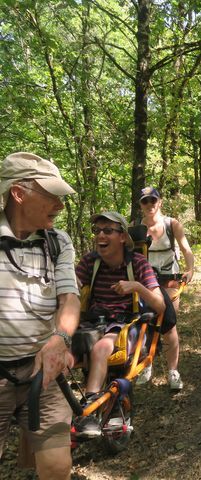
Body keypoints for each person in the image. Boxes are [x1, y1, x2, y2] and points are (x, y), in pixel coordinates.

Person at [0, 152, 80, 480]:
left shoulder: (57, 242)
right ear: (18, 193)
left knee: (58, 467)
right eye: (51, 196)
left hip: (43, 374)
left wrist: (61, 339)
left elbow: (70, 300)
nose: (60, 206)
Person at [74, 211, 165, 436]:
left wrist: (136, 287)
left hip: (125, 324)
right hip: (93, 322)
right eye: (97, 231)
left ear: (123, 237)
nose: (100, 235)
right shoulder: (90, 261)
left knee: (102, 348)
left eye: (107, 231)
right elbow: (71, 287)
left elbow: (160, 305)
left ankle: (89, 406)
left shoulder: (137, 263)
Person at [136, 187, 195, 391]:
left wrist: (190, 269)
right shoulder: (136, 228)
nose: (150, 204)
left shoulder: (172, 224)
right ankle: (146, 364)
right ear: (140, 205)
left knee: (167, 323)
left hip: (170, 279)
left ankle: (172, 371)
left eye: (153, 200)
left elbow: (186, 249)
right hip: (146, 281)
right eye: (145, 201)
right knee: (146, 323)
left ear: (160, 202)